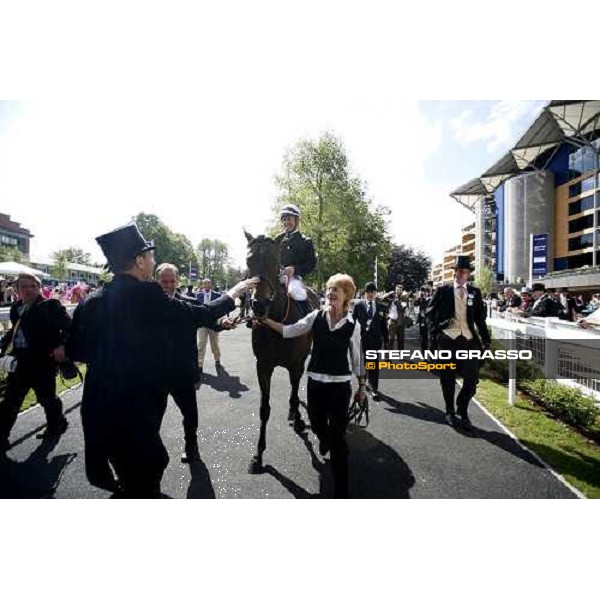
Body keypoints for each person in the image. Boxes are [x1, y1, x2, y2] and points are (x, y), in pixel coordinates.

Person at [66, 223, 257, 497]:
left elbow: (77, 351)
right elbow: (200, 314)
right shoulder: (147, 295)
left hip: (98, 410)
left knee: (124, 476)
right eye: (150, 256)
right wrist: (234, 292)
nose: (153, 261)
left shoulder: (91, 300)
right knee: (144, 479)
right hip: (134, 413)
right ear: (139, 261)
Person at [258, 273, 366, 498]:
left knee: (337, 439)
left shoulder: (353, 325)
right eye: (328, 289)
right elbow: (289, 331)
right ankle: (323, 437)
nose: (330, 293)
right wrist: (265, 320)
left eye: (335, 289)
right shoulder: (315, 316)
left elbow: (358, 359)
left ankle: (341, 490)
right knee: (317, 426)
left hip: (339, 387)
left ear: (346, 295)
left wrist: (362, 387)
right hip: (315, 383)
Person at [157, 263, 236, 463]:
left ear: (178, 281)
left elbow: (208, 320)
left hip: (182, 370)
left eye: (171, 281)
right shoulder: (147, 302)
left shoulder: (189, 302)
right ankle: (152, 451)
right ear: (156, 281)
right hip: (155, 372)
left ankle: (191, 446)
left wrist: (221, 324)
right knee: (152, 416)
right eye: (164, 281)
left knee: (190, 413)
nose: (168, 285)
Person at [0, 273, 71, 453]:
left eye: (33, 286)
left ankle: (57, 424)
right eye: (24, 286)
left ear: (39, 288)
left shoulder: (49, 306)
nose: (29, 290)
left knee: (47, 398)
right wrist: (2, 345)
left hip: (43, 362)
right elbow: (15, 331)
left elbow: (70, 328)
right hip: (20, 363)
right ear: (16, 290)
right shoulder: (16, 307)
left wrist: (62, 346)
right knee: (10, 400)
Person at [426, 255, 490, 432]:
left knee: (472, 379)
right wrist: (437, 331)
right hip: (448, 339)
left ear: (468, 274)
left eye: (462, 271)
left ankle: (462, 407)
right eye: (455, 271)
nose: (458, 274)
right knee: (447, 378)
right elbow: (429, 313)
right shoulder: (443, 289)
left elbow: (479, 319)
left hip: (469, 340)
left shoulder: (475, 292)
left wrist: (486, 339)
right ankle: (450, 411)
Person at [352, 282, 388, 401]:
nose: (371, 294)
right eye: (369, 292)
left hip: (375, 340)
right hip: (361, 340)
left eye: (373, 292)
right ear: (365, 293)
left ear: (375, 293)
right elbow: (352, 322)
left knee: (374, 365)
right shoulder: (358, 306)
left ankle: (374, 388)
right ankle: (362, 385)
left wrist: (386, 340)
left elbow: (384, 325)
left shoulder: (381, 306)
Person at [275, 204, 316, 303]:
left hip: (294, 278)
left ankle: (307, 313)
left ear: (296, 220)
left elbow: (311, 264)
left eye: (289, 219)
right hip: (276, 277)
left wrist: (294, 269)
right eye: (284, 219)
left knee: (295, 293)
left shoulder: (305, 241)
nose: (286, 222)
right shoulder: (277, 240)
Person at [196, 278, 224, 376]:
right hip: (202, 324)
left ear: (211, 285)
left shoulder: (217, 295)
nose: (206, 285)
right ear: (203, 285)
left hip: (213, 324)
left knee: (214, 343)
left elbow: (221, 309)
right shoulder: (198, 295)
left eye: (208, 284)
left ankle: (217, 359)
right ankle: (199, 365)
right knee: (201, 344)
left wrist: (220, 320)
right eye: (205, 284)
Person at [383, 284, 406, 350]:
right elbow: (381, 299)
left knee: (401, 340)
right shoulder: (391, 296)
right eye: (397, 290)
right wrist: (388, 294)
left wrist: (396, 301)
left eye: (399, 290)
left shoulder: (404, 298)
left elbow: (402, 308)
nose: (398, 291)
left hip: (400, 322)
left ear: (402, 291)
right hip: (392, 322)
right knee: (391, 339)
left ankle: (401, 355)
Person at [414, 286, 432, 352]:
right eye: (423, 291)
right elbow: (415, 304)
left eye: (426, 291)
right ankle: (424, 356)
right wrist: (418, 297)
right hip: (422, 322)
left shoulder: (432, 299)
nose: (424, 292)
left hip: (430, 322)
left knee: (431, 340)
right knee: (423, 339)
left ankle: (431, 357)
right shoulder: (421, 299)